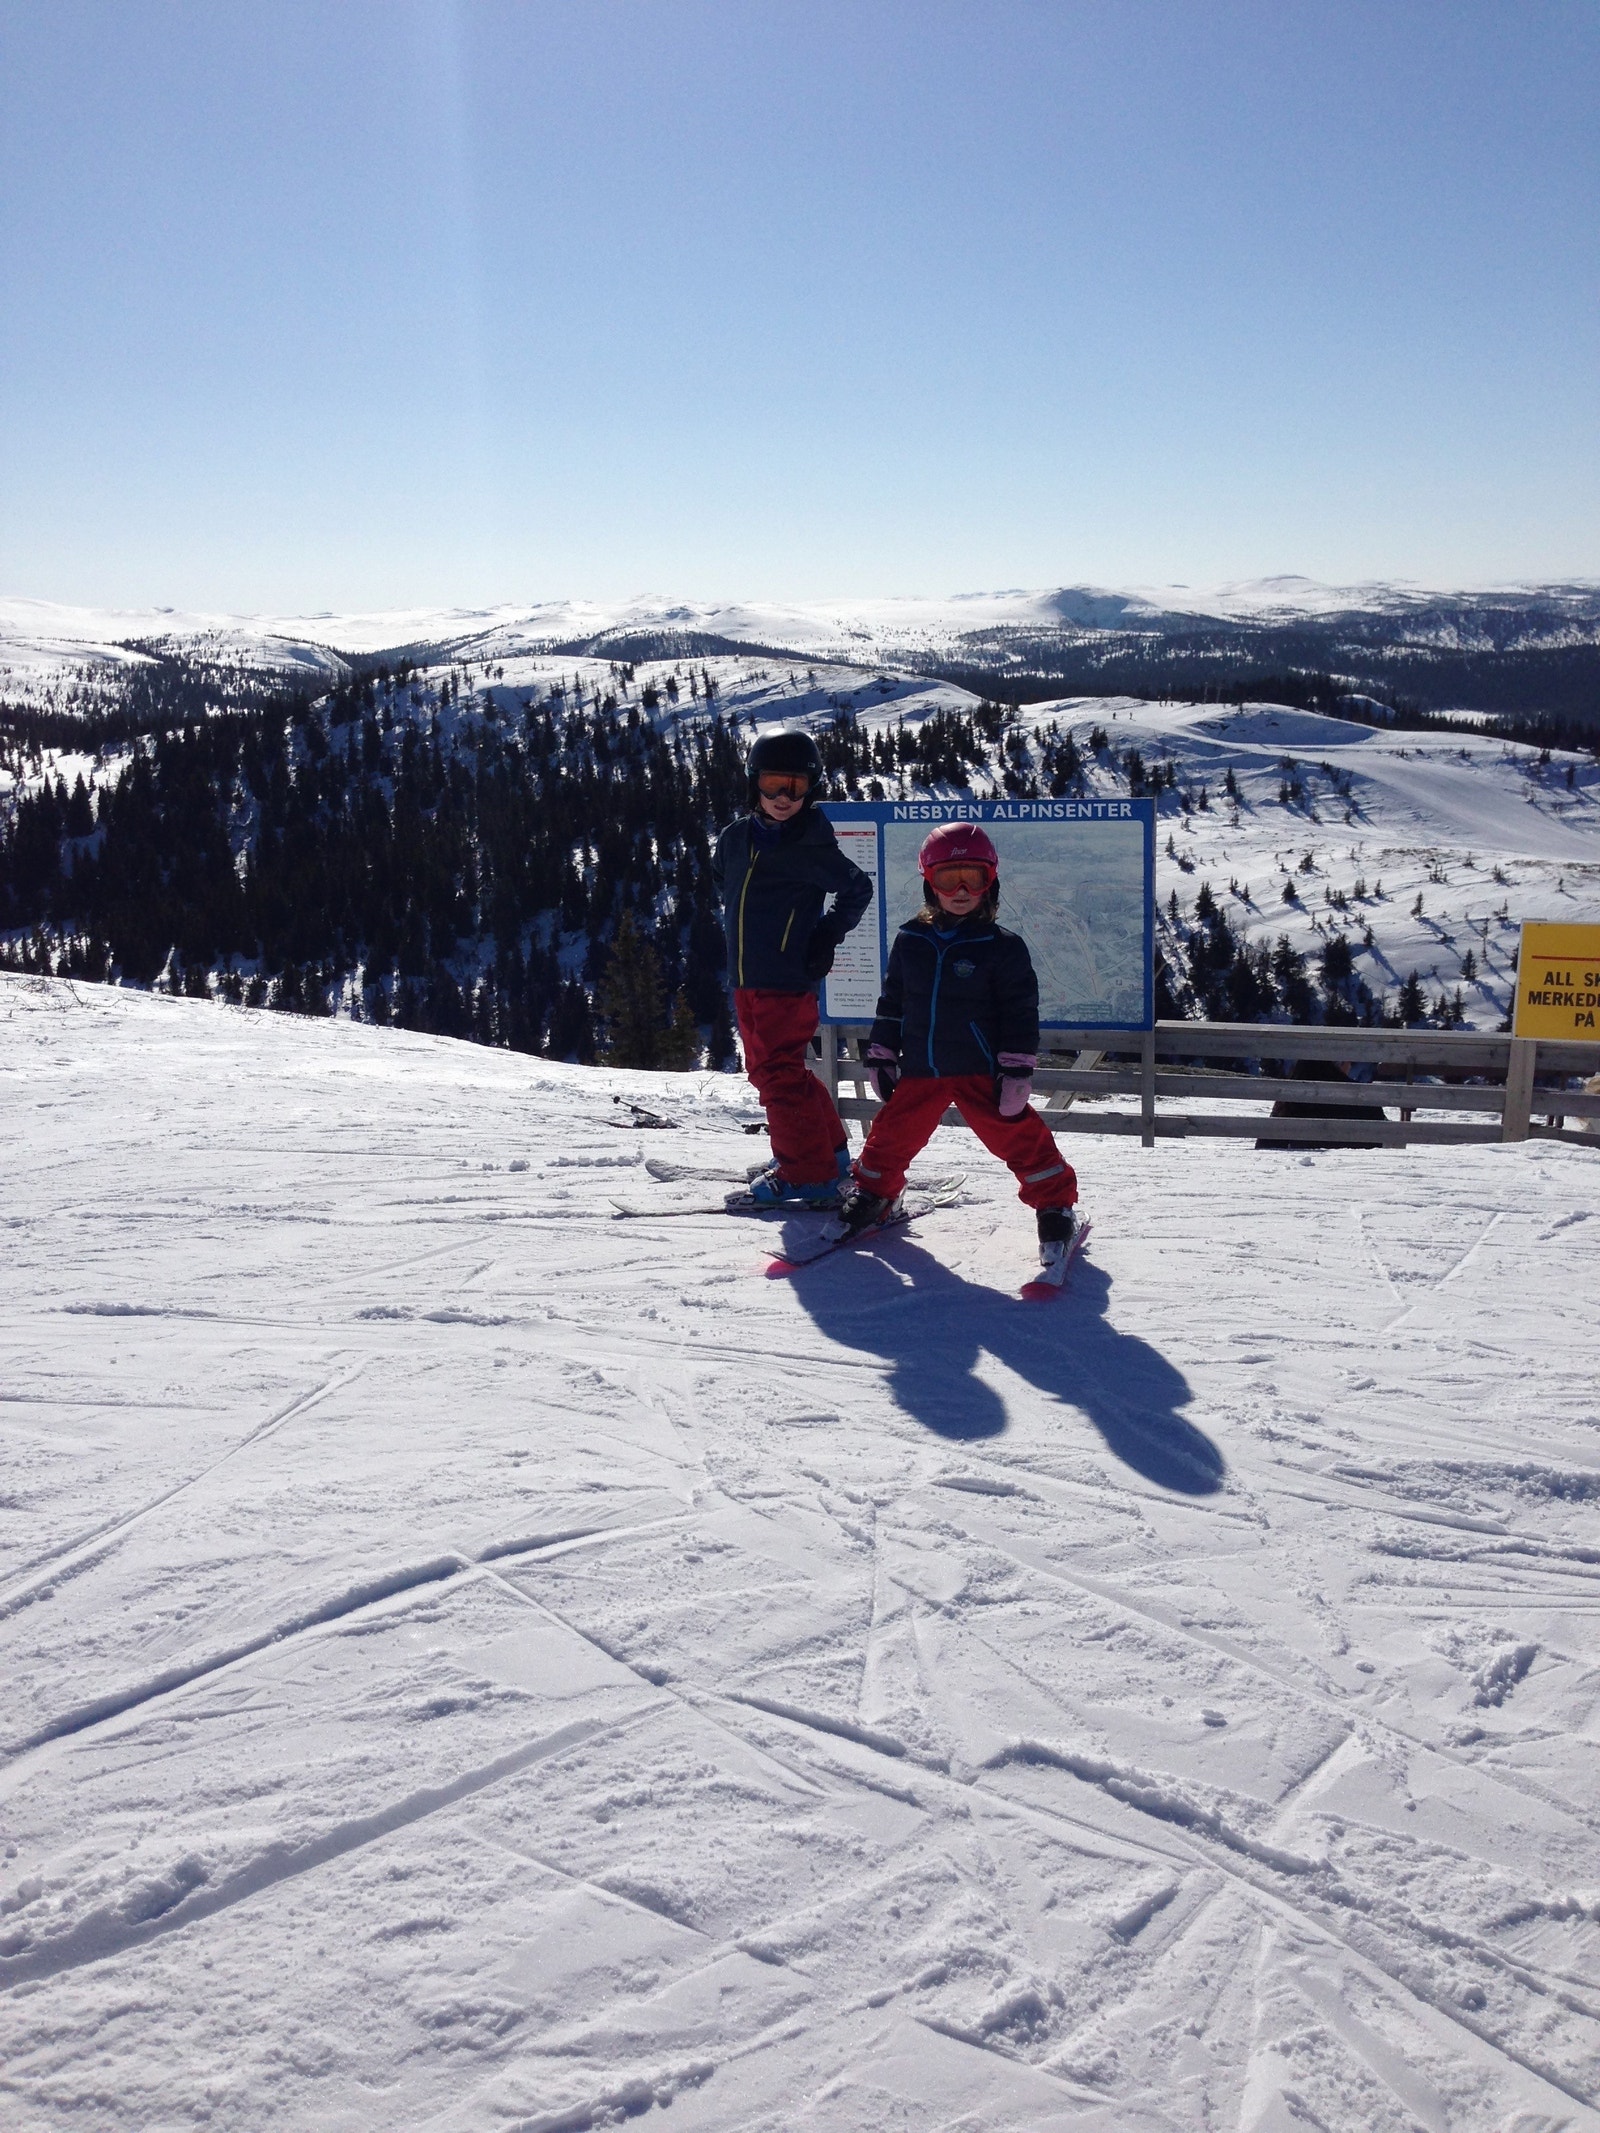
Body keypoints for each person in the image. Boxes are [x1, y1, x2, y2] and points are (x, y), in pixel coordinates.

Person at [831, 823, 1080, 1272]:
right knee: (891, 1136)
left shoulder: (1002, 947)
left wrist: (1017, 1070)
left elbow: (1020, 1012)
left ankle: (1055, 1205)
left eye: (974, 878)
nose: (961, 890)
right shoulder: (911, 940)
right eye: (949, 879)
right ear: (930, 882)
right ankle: (875, 1193)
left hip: (981, 1070)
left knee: (1019, 1138)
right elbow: (892, 1001)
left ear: (991, 882)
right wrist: (883, 1051)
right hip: (922, 1067)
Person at [711, 729, 873, 1206]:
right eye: (773, 784)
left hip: (785, 979)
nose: (784, 798)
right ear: (753, 785)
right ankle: (829, 1155)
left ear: (812, 789)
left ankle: (807, 1174)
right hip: (747, 977)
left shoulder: (809, 847)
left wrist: (824, 935)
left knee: (776, 1075)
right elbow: (724, 878)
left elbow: (856, 889)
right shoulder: (735, 839)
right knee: (783, 1072)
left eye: (796, 787)